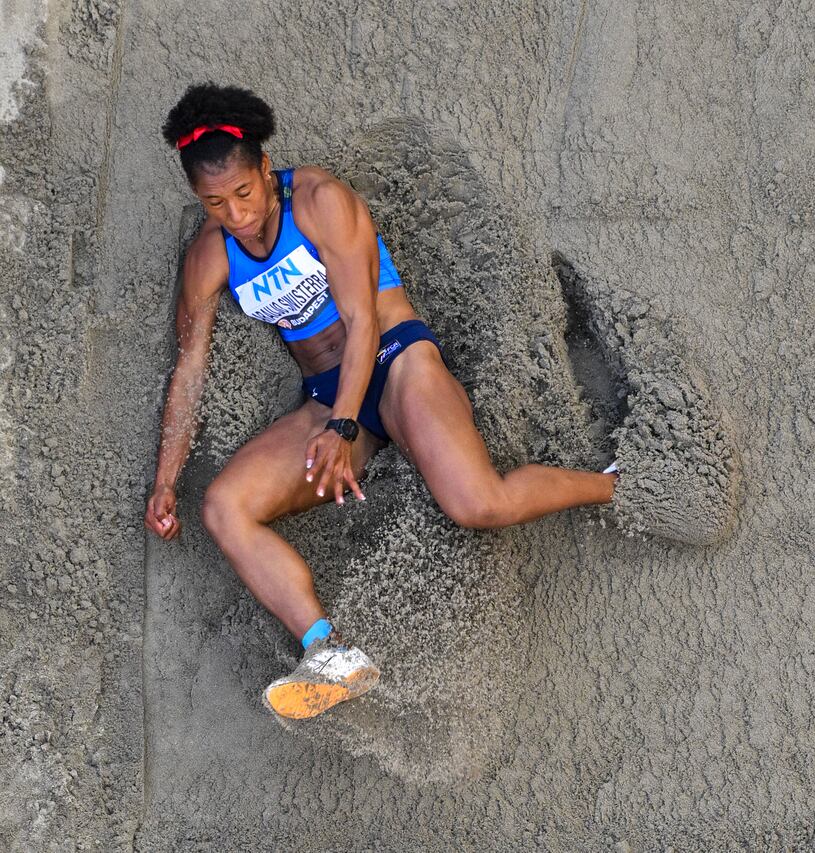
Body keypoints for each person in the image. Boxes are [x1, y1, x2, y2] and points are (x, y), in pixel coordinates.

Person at [143, 83, 617, 720]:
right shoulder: (209, 257)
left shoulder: (320, 202)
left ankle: (616, 485)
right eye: (215, 203)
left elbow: (363, 319)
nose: (236, 214)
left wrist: (342, 427)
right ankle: (332, 654)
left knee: (479, 503)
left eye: (245, 193)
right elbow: (190, 368)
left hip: (395, 362)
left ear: (264, 168)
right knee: (225, 508)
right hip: (327, 397)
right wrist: (165, 481)